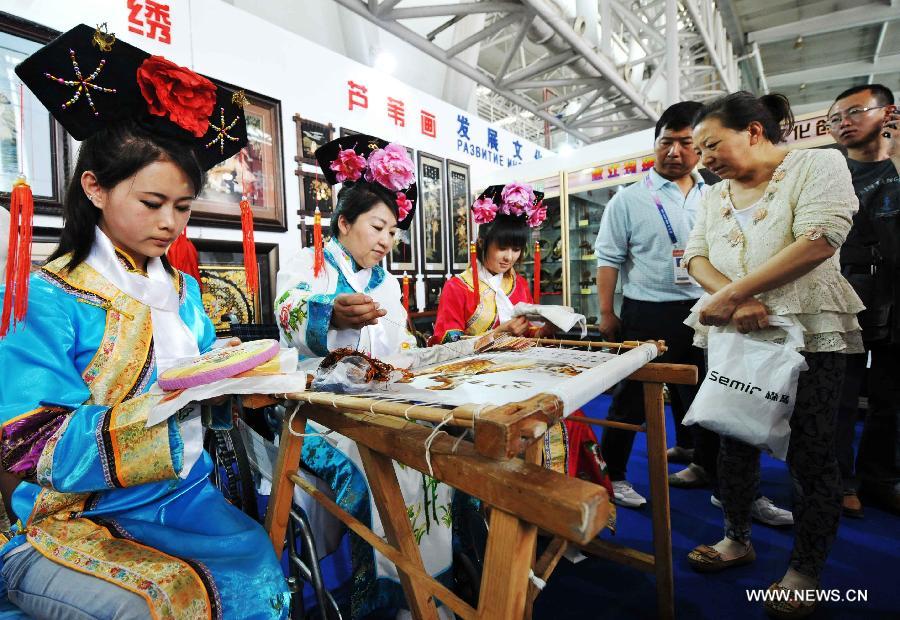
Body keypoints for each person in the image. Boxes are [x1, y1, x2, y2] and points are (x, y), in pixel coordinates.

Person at [0, 25, 290, 618]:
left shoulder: (182, 290)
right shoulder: (47, 296)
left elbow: (209, 379)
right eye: (152, 203)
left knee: (261, 571)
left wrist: (235, 378)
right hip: (78, 516)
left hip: (186, 498)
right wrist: (174, 402)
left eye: (182, 208)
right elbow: (28, 441)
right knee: (161, 603)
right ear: (95, 188)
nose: (171, 224)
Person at [684, 91, 863, 617]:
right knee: (733, 437)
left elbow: (820, 238)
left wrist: (736, 295)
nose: (705, 159)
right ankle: (736, 537)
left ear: (755, 132)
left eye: (711, 144)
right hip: (734, 333)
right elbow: (695, 255)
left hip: (808, 331)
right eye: (700, 150)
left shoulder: (818, 164)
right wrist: (731, 300)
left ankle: (806, 568)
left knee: (811, 450)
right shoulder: (713, 196)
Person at [275, 135, 453, 619]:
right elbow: (286, 313)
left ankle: (425, 587)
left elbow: (403, 347)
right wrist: (329, 313)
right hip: (318, 412)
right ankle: (388, 592)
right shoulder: (308, 264)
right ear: (344, 222)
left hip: (381, 400)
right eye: (378, 227)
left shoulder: (386, 283)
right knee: (386, 456)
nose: (386, 241)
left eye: (394, 232)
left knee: (435, 445)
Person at [594, 102, 721, 508]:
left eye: (686, 143)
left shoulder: (715, 194)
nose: (674, 152)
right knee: (631, 398)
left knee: (703, 391)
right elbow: (608, 259)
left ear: (698, 148)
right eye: (666, 142)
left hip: (704, 310)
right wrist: (607, 312)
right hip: (646, 311)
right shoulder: (628, 199)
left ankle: (699, 459)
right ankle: (613, 474)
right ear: (655, 145)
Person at [827, 83, 900, 517]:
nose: (843, 123)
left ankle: (882, 477)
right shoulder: (829, 170)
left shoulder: (896, 168)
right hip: (844, 289)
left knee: (891, 396)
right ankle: (838, 479)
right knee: (840, 392)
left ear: (887, 113)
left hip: (895, 290)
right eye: (835, 118)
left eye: (854, 112)